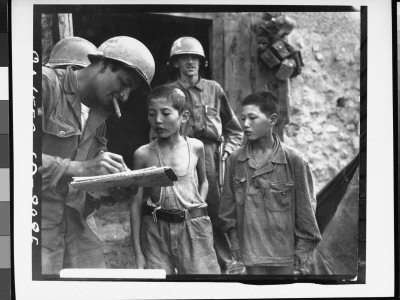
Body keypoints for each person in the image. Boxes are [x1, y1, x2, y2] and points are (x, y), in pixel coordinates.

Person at [39, 36, 155, 275]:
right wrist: (80, 168)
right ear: (102, 64)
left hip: (77, 219)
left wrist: (112, 186)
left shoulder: (100, 114)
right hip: (38, 218)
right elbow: (11, 157)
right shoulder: (44, 84)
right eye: (124, 83)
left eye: (130, 90)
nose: (124, 96)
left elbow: (85, 179)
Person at [219, 91, 322, 275]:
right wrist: (235, 242)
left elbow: (306, 209)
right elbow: (227, 210)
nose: (245, 124)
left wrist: (302, 249)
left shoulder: (293, 160)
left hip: (284, 251)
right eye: (243, 118)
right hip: (251, 251)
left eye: (252, 118)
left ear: (272, 119)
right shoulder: (235, 160)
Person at [165, 36, 244, 273]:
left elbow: (234, 130)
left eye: (194, 58)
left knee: (219, 209)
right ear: (176, 63)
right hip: (182, 154)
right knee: (187, 207)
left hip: (212, 155)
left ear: (202, 62)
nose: (190, 62)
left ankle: (230, 262)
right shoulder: (169, 92)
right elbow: (157, 131)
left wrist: (228, 152)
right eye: (183, 58)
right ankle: (193, 262)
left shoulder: (214, 89)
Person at [130, 85, 220, 274]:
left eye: (165, 113)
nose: (158, 121)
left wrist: (198, 203)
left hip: (194, 229)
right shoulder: (143, 154)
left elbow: (204, 181)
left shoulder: (196, 147)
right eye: (152, 114)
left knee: (203, 286)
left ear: (184, 117)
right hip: (155, 231)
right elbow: (136, 202)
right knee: (159, 288)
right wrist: (138, 253)